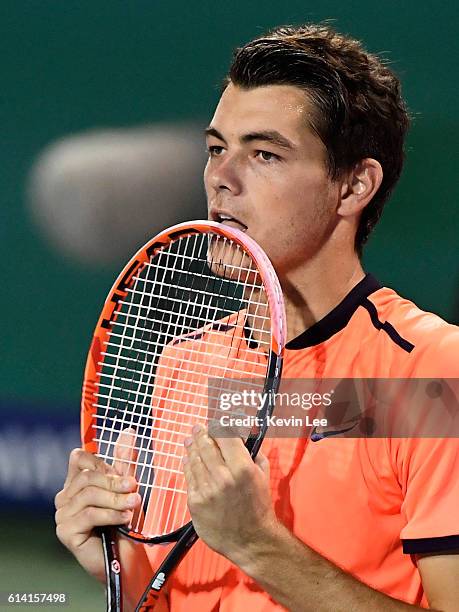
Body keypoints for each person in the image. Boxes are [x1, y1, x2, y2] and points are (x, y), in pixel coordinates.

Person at [55, 24, 459, 610]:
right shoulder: (185, 364)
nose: (222, 177)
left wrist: (258, 544)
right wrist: (116, 564)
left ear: (354, 185)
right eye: (217, 148)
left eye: (265, 153)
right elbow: (178, 591)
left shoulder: (430, 375)